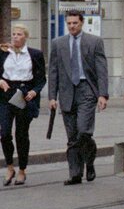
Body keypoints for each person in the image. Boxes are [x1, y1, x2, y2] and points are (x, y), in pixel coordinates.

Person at [47, 10, 109, 185]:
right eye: (69, 23)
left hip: (86, 89)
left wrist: (103, 94)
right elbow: (53, 72)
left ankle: (89, 163)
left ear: (81, 23)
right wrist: (52, 96)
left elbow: (102, 70)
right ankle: (75, 174)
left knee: (84, 131)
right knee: (72, 136)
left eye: (75, 23)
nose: (72, 26)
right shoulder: (58, 44)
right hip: (67, 91)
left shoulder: (94, 42)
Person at [0, 25, 45, 186]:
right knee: (4, 133)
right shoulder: (4, 52)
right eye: (13, 34)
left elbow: (41, 79)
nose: (15, 37)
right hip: (6, 94)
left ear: (25, 37)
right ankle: (10, 166)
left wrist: (34, 91)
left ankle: (22, 170)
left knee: (21, 134)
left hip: (24, 94)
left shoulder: (35, 54)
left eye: (19, 34)